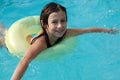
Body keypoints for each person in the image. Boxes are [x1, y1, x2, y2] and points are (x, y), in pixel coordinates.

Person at [0, 2, 118, 80]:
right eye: (54, 22)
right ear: (44, 24)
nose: (60, 26)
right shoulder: (41, 43)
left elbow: (87, 30)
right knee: (6, 39)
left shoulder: (67, 33)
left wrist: (109, 30)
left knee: (8, 33)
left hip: (32, 38)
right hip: (31, 42)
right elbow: (24, 61)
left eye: (63, 20)